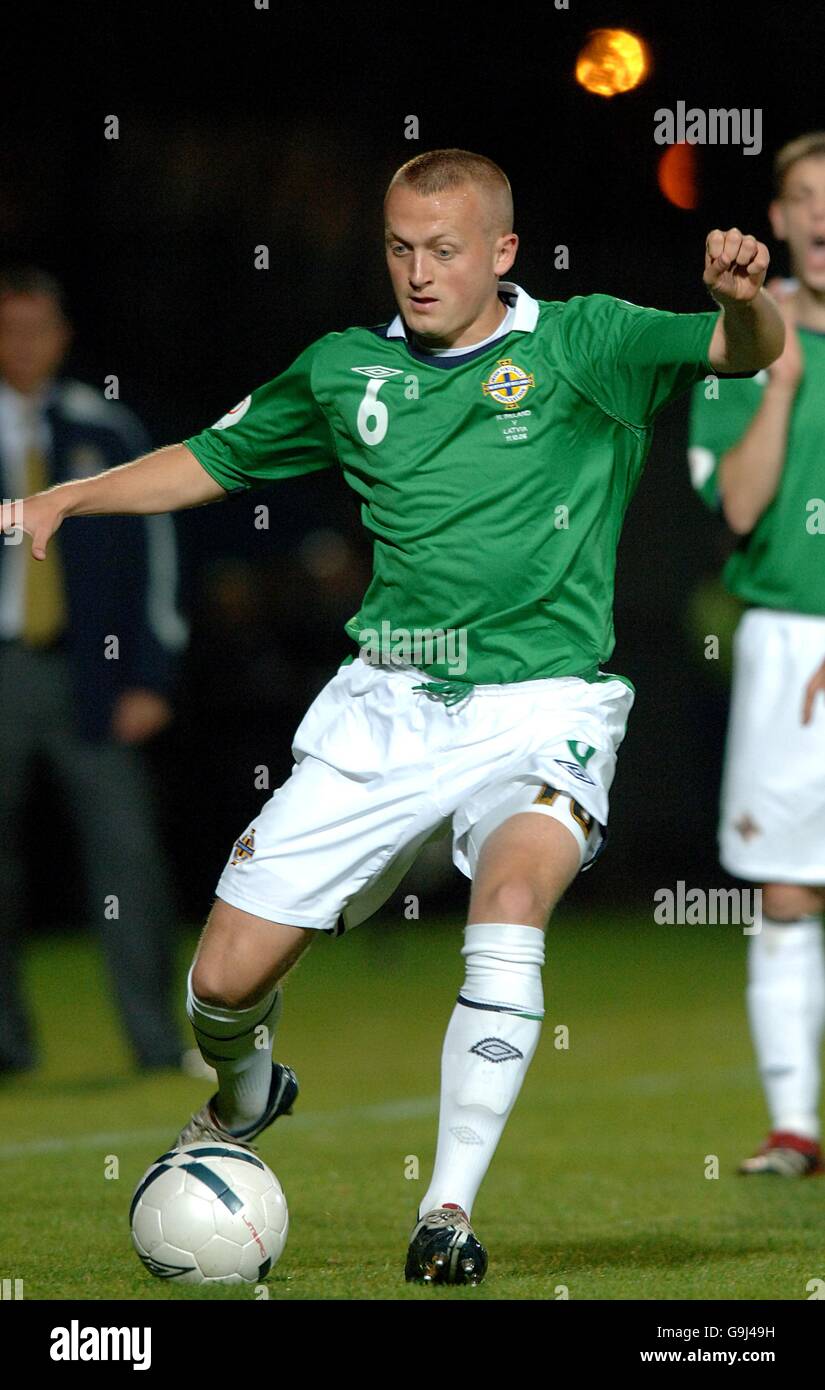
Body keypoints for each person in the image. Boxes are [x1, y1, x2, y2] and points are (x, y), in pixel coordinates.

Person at [3, 151, 783, 1283]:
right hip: (387, 707)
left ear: (504, 252)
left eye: (447, 249)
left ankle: (447, 1211)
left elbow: (739, 351)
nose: (419, 272)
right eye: (401, 248)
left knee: (512, 897)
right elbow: (214, 460)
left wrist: (746, 299)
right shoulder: (346, 371)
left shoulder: (588, 343)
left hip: (544, 705)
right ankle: (247, 1090)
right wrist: (72, 495)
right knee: (222, 982)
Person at [0, 266, 204, 1078]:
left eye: (35, 328)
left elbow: (158, 554)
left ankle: (155, 1043)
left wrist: (150, 676)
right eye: (7, 329)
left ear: (62, 336)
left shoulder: (103, 428)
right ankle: (7, 1048)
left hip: (88, 674)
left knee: (128, 859)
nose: (22, 345)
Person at [688, 132, 825, 1177]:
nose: (823, 215)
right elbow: (739, 504)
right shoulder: (740, 341)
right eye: (805, 198)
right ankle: (793, 1129)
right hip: (785, 642)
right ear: (776, 218)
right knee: (785, 888)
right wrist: (778, 371)